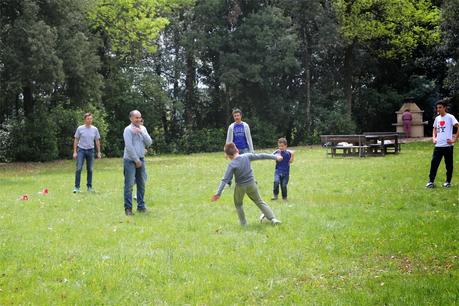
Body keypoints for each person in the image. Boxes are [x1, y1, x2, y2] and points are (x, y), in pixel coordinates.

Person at [211, 142, 282, 226]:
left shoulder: (232, 164)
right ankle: (273, 219)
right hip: (252, 184)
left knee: (238, 204)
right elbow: (261, 155)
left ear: (229, 156)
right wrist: (275, 157)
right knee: (259, 201)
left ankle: (244, 224)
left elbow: (224, 180)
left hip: (241, 186)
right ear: (237, 149)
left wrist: (218, 194)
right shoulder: (246, 156)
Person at [123, 110, 153, 215]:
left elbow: (149, 142)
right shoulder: (128, 130)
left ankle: (141, 207)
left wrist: (141, 132)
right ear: (131, 118)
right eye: (136, 118)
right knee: (129, 185)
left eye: (139, 117)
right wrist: (136, 160)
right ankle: (128, 209)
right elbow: (129, 147)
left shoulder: (143, 129)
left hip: (141, 160)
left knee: (141, 184)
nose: (138, 119)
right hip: (130, 160)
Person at [425, 99, 459, 188]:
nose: (438, 110)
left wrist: (454, 139)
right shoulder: (437, 118)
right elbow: (434, 128)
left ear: (445, 108)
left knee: (449, 165)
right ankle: (430, 182)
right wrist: (434, 137)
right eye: (437, 108)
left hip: (448, 146)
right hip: (438, 146)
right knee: (434, 164)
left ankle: (448, 182)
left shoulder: (450, 117)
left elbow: (458, 126)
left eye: (440, 108)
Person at [73, 113, 101, 193]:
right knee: (78, 168)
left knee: (90, 169)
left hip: (90, 150)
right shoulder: (80, 128)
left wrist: (99, 152)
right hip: (81, 150)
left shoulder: (95, 129)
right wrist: (75, 151)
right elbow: (76, 140)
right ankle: (76, 187)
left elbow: (97, 141)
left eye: (91, 119)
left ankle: (89, 187)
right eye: (88, 119)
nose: (90, 120)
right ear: (85, 120)